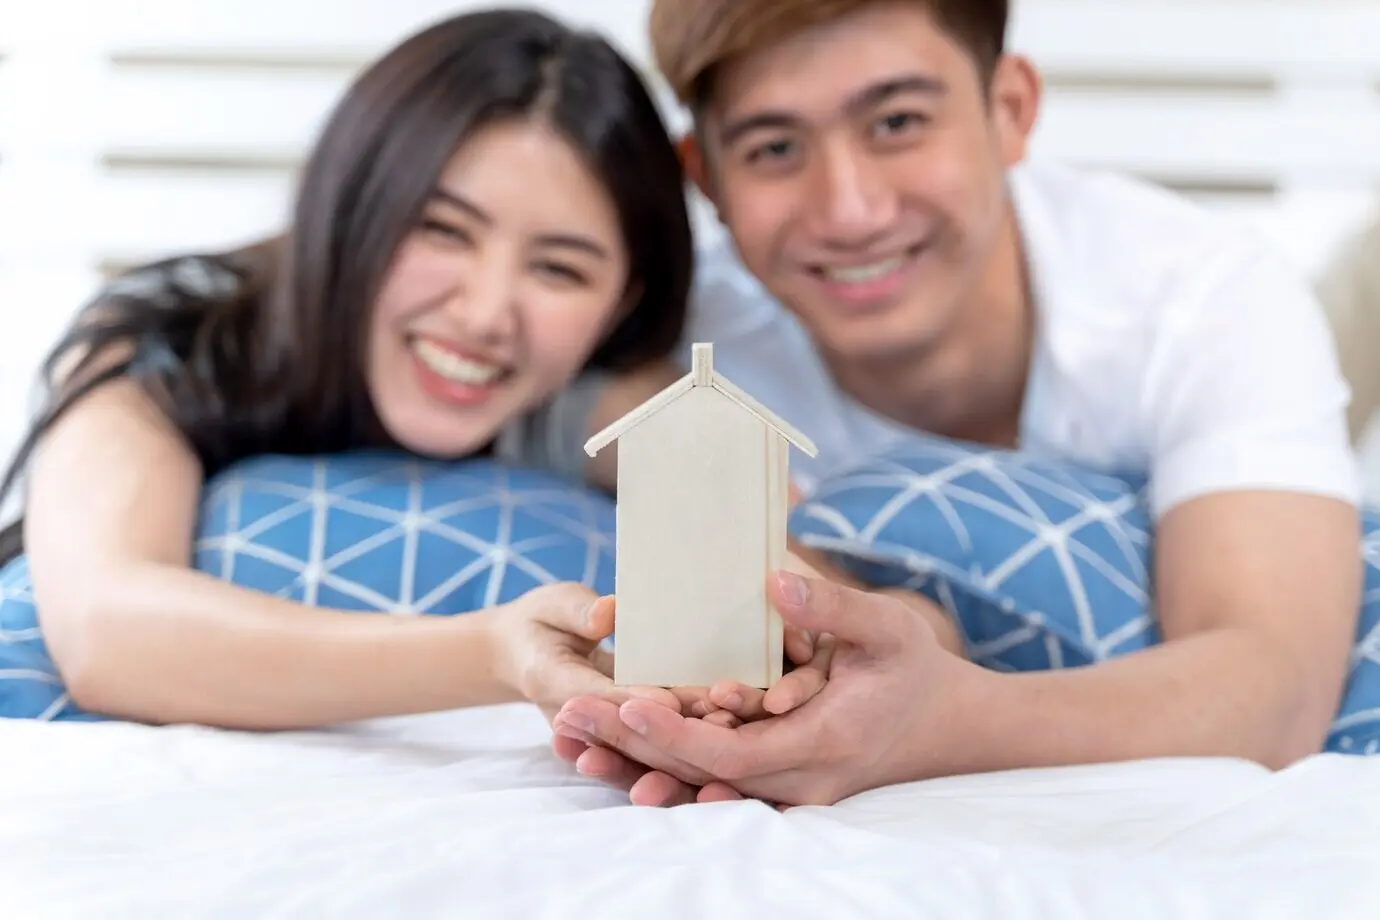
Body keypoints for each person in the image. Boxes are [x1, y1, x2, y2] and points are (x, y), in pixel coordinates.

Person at [550, 0, 1366, 807]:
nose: (850, 211)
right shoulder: (690, 336)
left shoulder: (1203, 296)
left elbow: (1276, 688)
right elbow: (523, 394)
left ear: (1010, 111)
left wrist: (946, 724)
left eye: (898, 122)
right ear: (707, 179)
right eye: (774, 148)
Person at [0, 8, 701, 730]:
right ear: (346, 210)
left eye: (558, 269)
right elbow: (106, 632)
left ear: (623, 302)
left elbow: (768, 553)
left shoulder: (598, 392)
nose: (487, 314)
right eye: (442, 229)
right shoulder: (169, 341)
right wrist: (496, 653)